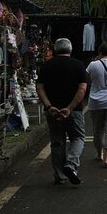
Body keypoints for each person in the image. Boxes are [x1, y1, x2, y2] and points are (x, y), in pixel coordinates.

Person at [36, 38, 87, 185]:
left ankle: (60, 175)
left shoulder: (47, 66)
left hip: (53, 111)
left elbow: (40, 88)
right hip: (74, 111)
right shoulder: (78, 65)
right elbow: (82, 88)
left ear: (55, 49)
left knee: (57, 141)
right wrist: (70, 107)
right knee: (77, 138)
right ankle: (71, 165)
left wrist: (48, 106)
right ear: (70, 50)